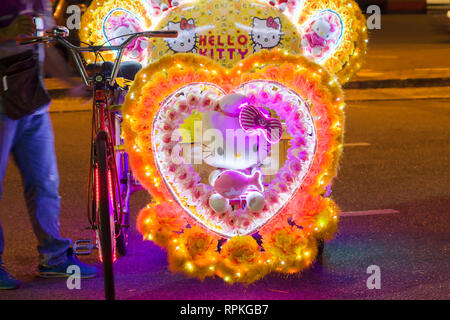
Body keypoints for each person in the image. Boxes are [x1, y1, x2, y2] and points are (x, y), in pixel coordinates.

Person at [0, 0, 97, 290]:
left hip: (32, 100)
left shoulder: (39, 2)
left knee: (45, 182)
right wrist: (6, 33)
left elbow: (46, 47)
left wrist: (73, 82)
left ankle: (53, 258)